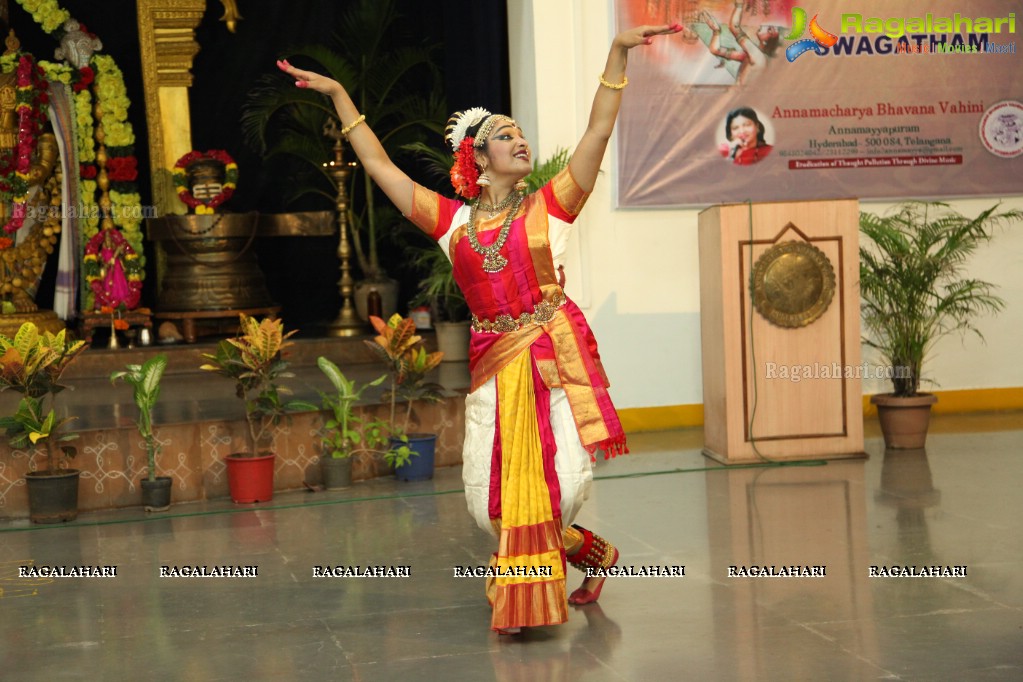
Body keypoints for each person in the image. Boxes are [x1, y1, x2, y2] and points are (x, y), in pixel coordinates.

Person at [278, 21, 682, 634]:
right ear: (479, 159)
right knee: (495, 501)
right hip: (494, 363)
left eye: (521, 133)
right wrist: (341, 98)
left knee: (554, 488)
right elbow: (383, 170)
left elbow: (599, 131)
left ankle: (525, 592)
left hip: (548, 361)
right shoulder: (452, 225)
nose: (521, 142)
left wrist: (617, 53)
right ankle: (589, 554)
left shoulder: (552, 206)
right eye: (505, 137)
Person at [701, 2, 780, 84]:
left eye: (770, 29)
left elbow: (734, 27)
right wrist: (716, 31)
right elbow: (715, 50)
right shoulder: (749, 56)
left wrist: (739, 5)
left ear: (766, 42)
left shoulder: (758, 57)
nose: (764, 26)